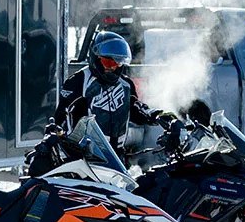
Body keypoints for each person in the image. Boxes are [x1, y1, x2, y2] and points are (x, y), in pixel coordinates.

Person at [26, 30, 177, 176]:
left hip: (117, 158)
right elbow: (61, 116)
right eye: (107, 62)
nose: (112, 68)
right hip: (85, 158)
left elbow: (137, 110)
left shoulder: (125, 85)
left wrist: (159, 116)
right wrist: (52, 137)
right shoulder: (78, 82)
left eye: (118, 63)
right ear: (95, 58)